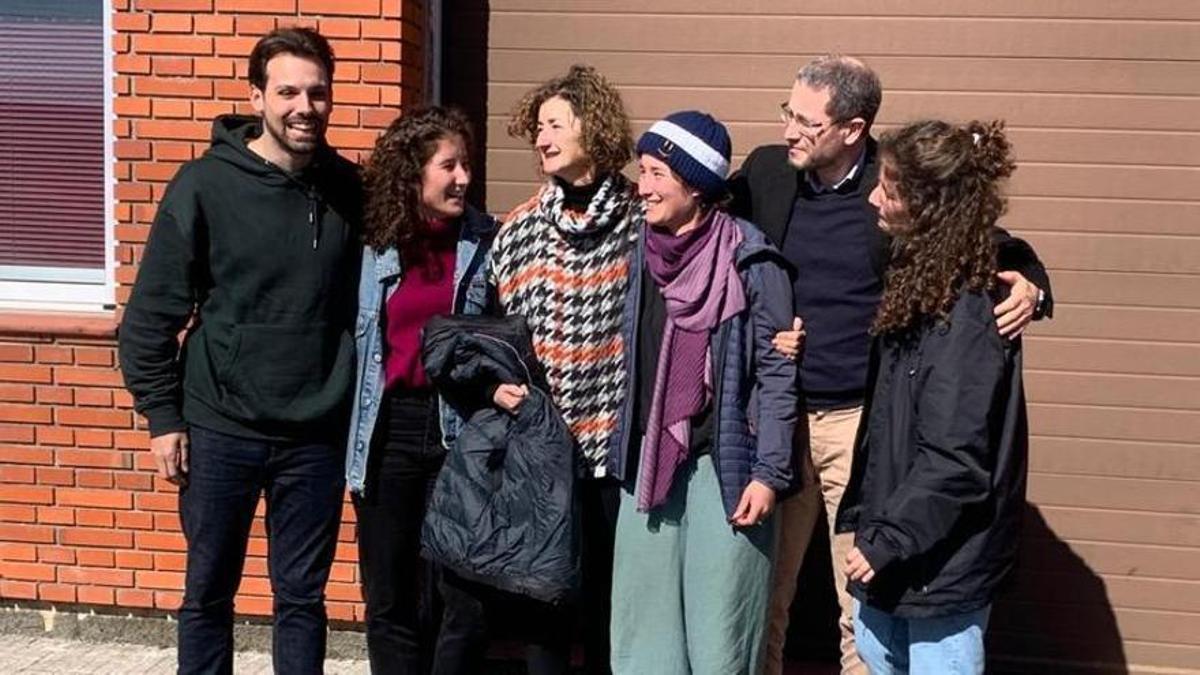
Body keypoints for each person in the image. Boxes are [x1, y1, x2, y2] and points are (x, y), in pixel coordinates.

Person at [728, 54, 1052, 675]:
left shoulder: (897, 190)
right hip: (776, 419)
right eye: (787, 113)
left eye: (806, 121)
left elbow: (986, 240)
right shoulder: (768, 172)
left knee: (865, 606)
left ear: (852, 129)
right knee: (763, 595)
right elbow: (696, 214)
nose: (789, 130)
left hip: (856, 423)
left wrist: (1031, 284)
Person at [118, 27, 360, 675]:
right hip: (219, 425)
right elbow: (150, 315)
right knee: (207, 593)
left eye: (317, 92)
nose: (303, 106)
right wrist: (163, 418)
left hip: (315, 432)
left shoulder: (348, 190)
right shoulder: (203, 185)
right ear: (257, 97)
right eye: (287, 92)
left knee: (303, 598)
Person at [835, 118, 1029, 675]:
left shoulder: (967, 313)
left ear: (927, 206)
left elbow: (956, 460)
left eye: (889, 189)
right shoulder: (915, 277)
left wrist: (885, 540)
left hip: (938, 561)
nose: (873, 196)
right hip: (901, 546)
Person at [607, 111, 798, 674]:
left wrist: (769, 473)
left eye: (657, 172)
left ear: (695, 183)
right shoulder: (639, 253)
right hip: (651, 464)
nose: (642, 186)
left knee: (721, 644)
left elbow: (778, 373)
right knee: (643, 642)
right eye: (641, 171)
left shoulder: (752, 259)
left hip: (727, 466)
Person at [488, 64, 640, 674]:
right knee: (542, 605)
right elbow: (493, 334)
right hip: (540, 448)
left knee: (609, 603)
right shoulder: (519, 229)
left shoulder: (638, 222)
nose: (542, 139)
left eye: (555, 125)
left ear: (593, 129)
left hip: (613, 451)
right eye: (538, 128)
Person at [344, 106, 495, 674]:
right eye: (448, 165)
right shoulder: (373, 244)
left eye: (467, 165)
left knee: (464, 594)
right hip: (389, 427)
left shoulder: (486, 241)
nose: (463, 178)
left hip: (460, 427)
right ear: (413, 173)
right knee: (390, 594)